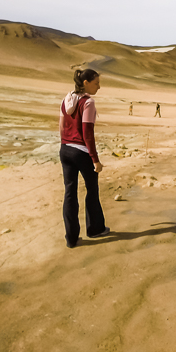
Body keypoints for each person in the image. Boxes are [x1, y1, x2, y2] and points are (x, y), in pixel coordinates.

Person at [59, 68, 110, 248]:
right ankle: (95, 229)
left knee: (70, 193)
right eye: (96, 83)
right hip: (81, 151)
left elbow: (61, 126)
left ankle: (71, 239)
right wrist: (95, 159)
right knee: (92, 190)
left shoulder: (66, 99)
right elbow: (87, 132)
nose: (99, 86)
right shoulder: (88, 102)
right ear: (86, 83)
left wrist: (64, 144)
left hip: (65, 150)